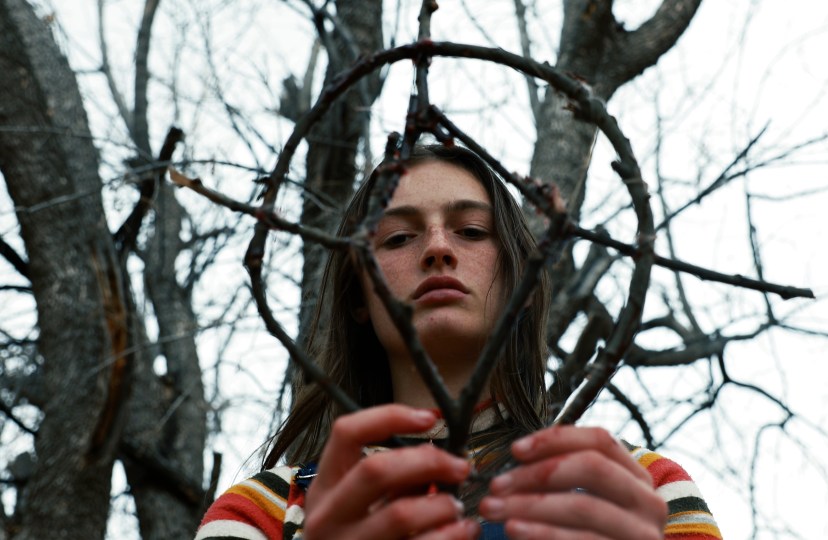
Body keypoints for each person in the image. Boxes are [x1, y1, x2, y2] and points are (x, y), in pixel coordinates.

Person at [195, 144, 723, 540]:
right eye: (398, 238)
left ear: (517, 274)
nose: (438, 248)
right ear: (359, 296)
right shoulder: (262, 509)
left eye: (471, 230)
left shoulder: (642, 487)